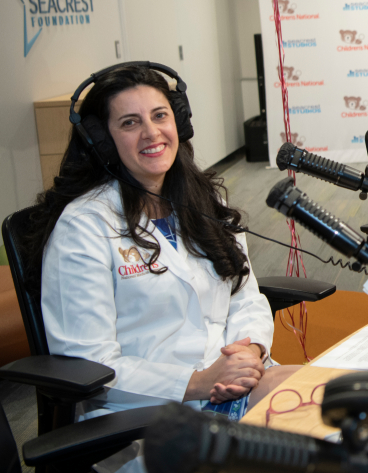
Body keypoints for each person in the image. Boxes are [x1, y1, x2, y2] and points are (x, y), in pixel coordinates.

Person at [22, 64, 299, 435]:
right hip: (147, 417)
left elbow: (244, 297)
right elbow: (91, 363)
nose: (151, 133)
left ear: (178, 123)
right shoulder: (84, 227)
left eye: (159, 116)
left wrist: (251, 353)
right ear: (102, 140)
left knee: (347, 400)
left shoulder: (205, 201)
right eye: (129, 123)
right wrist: (199, 381)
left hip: (234, 387)